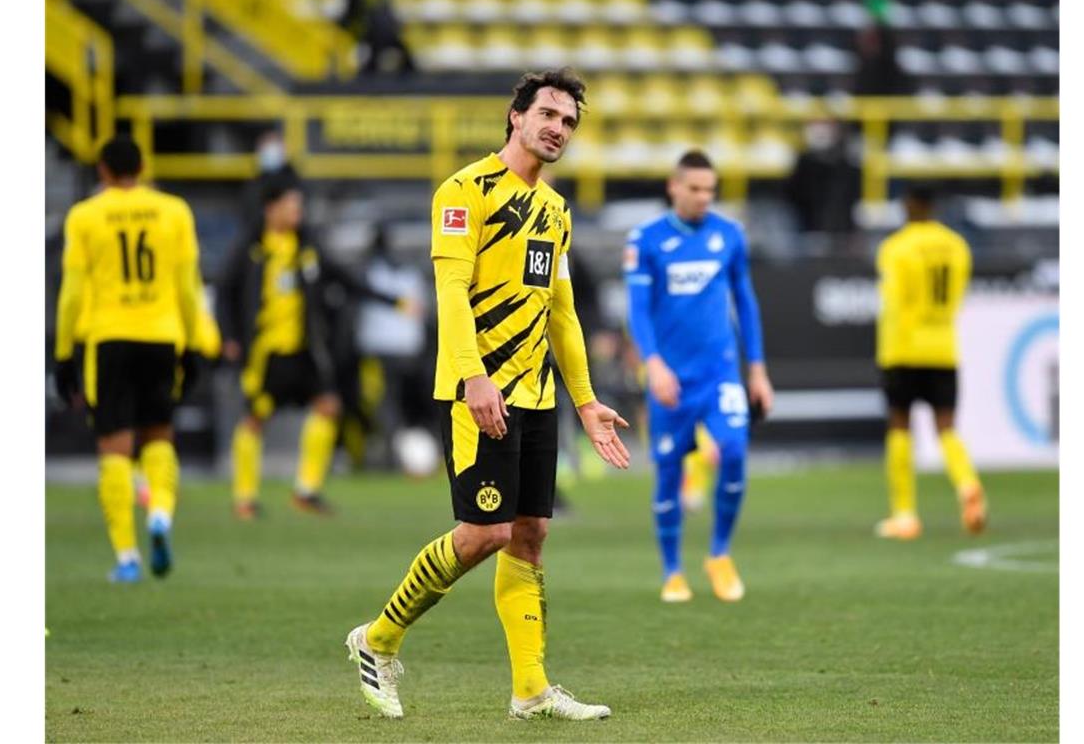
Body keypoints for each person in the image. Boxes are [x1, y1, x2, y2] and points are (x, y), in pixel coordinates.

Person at [344, 68, 630, 722]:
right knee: (484, 533)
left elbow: (563, 313)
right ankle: (378, 639)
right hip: (480, 391)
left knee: (528, 535)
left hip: (536, 396)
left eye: (569, 121)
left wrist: (584, 401)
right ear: (516, 115)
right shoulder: (464, 191)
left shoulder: (555, 212)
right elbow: (449, 292)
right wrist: (473, 376)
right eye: (549, 114)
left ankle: (531, 689)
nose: (558, 128)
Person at [624, 150, 774, 604]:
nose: (704, 198)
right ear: (674, 187)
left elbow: (745, 303)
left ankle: (719, 554)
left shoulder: (729, 235)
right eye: (695, 189)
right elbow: (638, 310)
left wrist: (758, 369)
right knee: (668, 473)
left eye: (710, 190)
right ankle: (672, 571)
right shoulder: (646, 240)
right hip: (671, 378)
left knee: (733, 452)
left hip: (720, 374)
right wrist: (653, 364)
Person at [53, 135, 201, 582]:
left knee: (114, 446)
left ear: (102, 170)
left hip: (109, 338)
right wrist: (192, 344)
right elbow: (188, 285)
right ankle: (159, 512)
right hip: (162, 335)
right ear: (143, 167)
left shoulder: (84, 216)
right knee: (159, 435)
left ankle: (127, 558)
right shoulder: (174, 211)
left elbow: (73, 292)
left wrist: (63, 354)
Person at [218, 173, 408, 519]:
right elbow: (225, 294)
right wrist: (229, 337)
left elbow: (346, 279)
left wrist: (393, 301)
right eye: (291, 205)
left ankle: (306, 491)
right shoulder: (251, 249)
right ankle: (244, 498)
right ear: (270, 208)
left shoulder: (306, 247)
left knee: (328, 408)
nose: (297, 212)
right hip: (266, 354)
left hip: (305, 350)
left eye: (299, 205)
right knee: (254, 420)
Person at [874, 186, 987, 540]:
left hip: (903, 347)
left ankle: (904, 514)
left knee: (899, 425)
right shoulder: (957, 245)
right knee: (946, 428)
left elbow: (893, 298)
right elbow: (957, 296)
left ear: (908, 206)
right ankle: (967, 483)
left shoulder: (896, 247)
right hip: (943, 346)